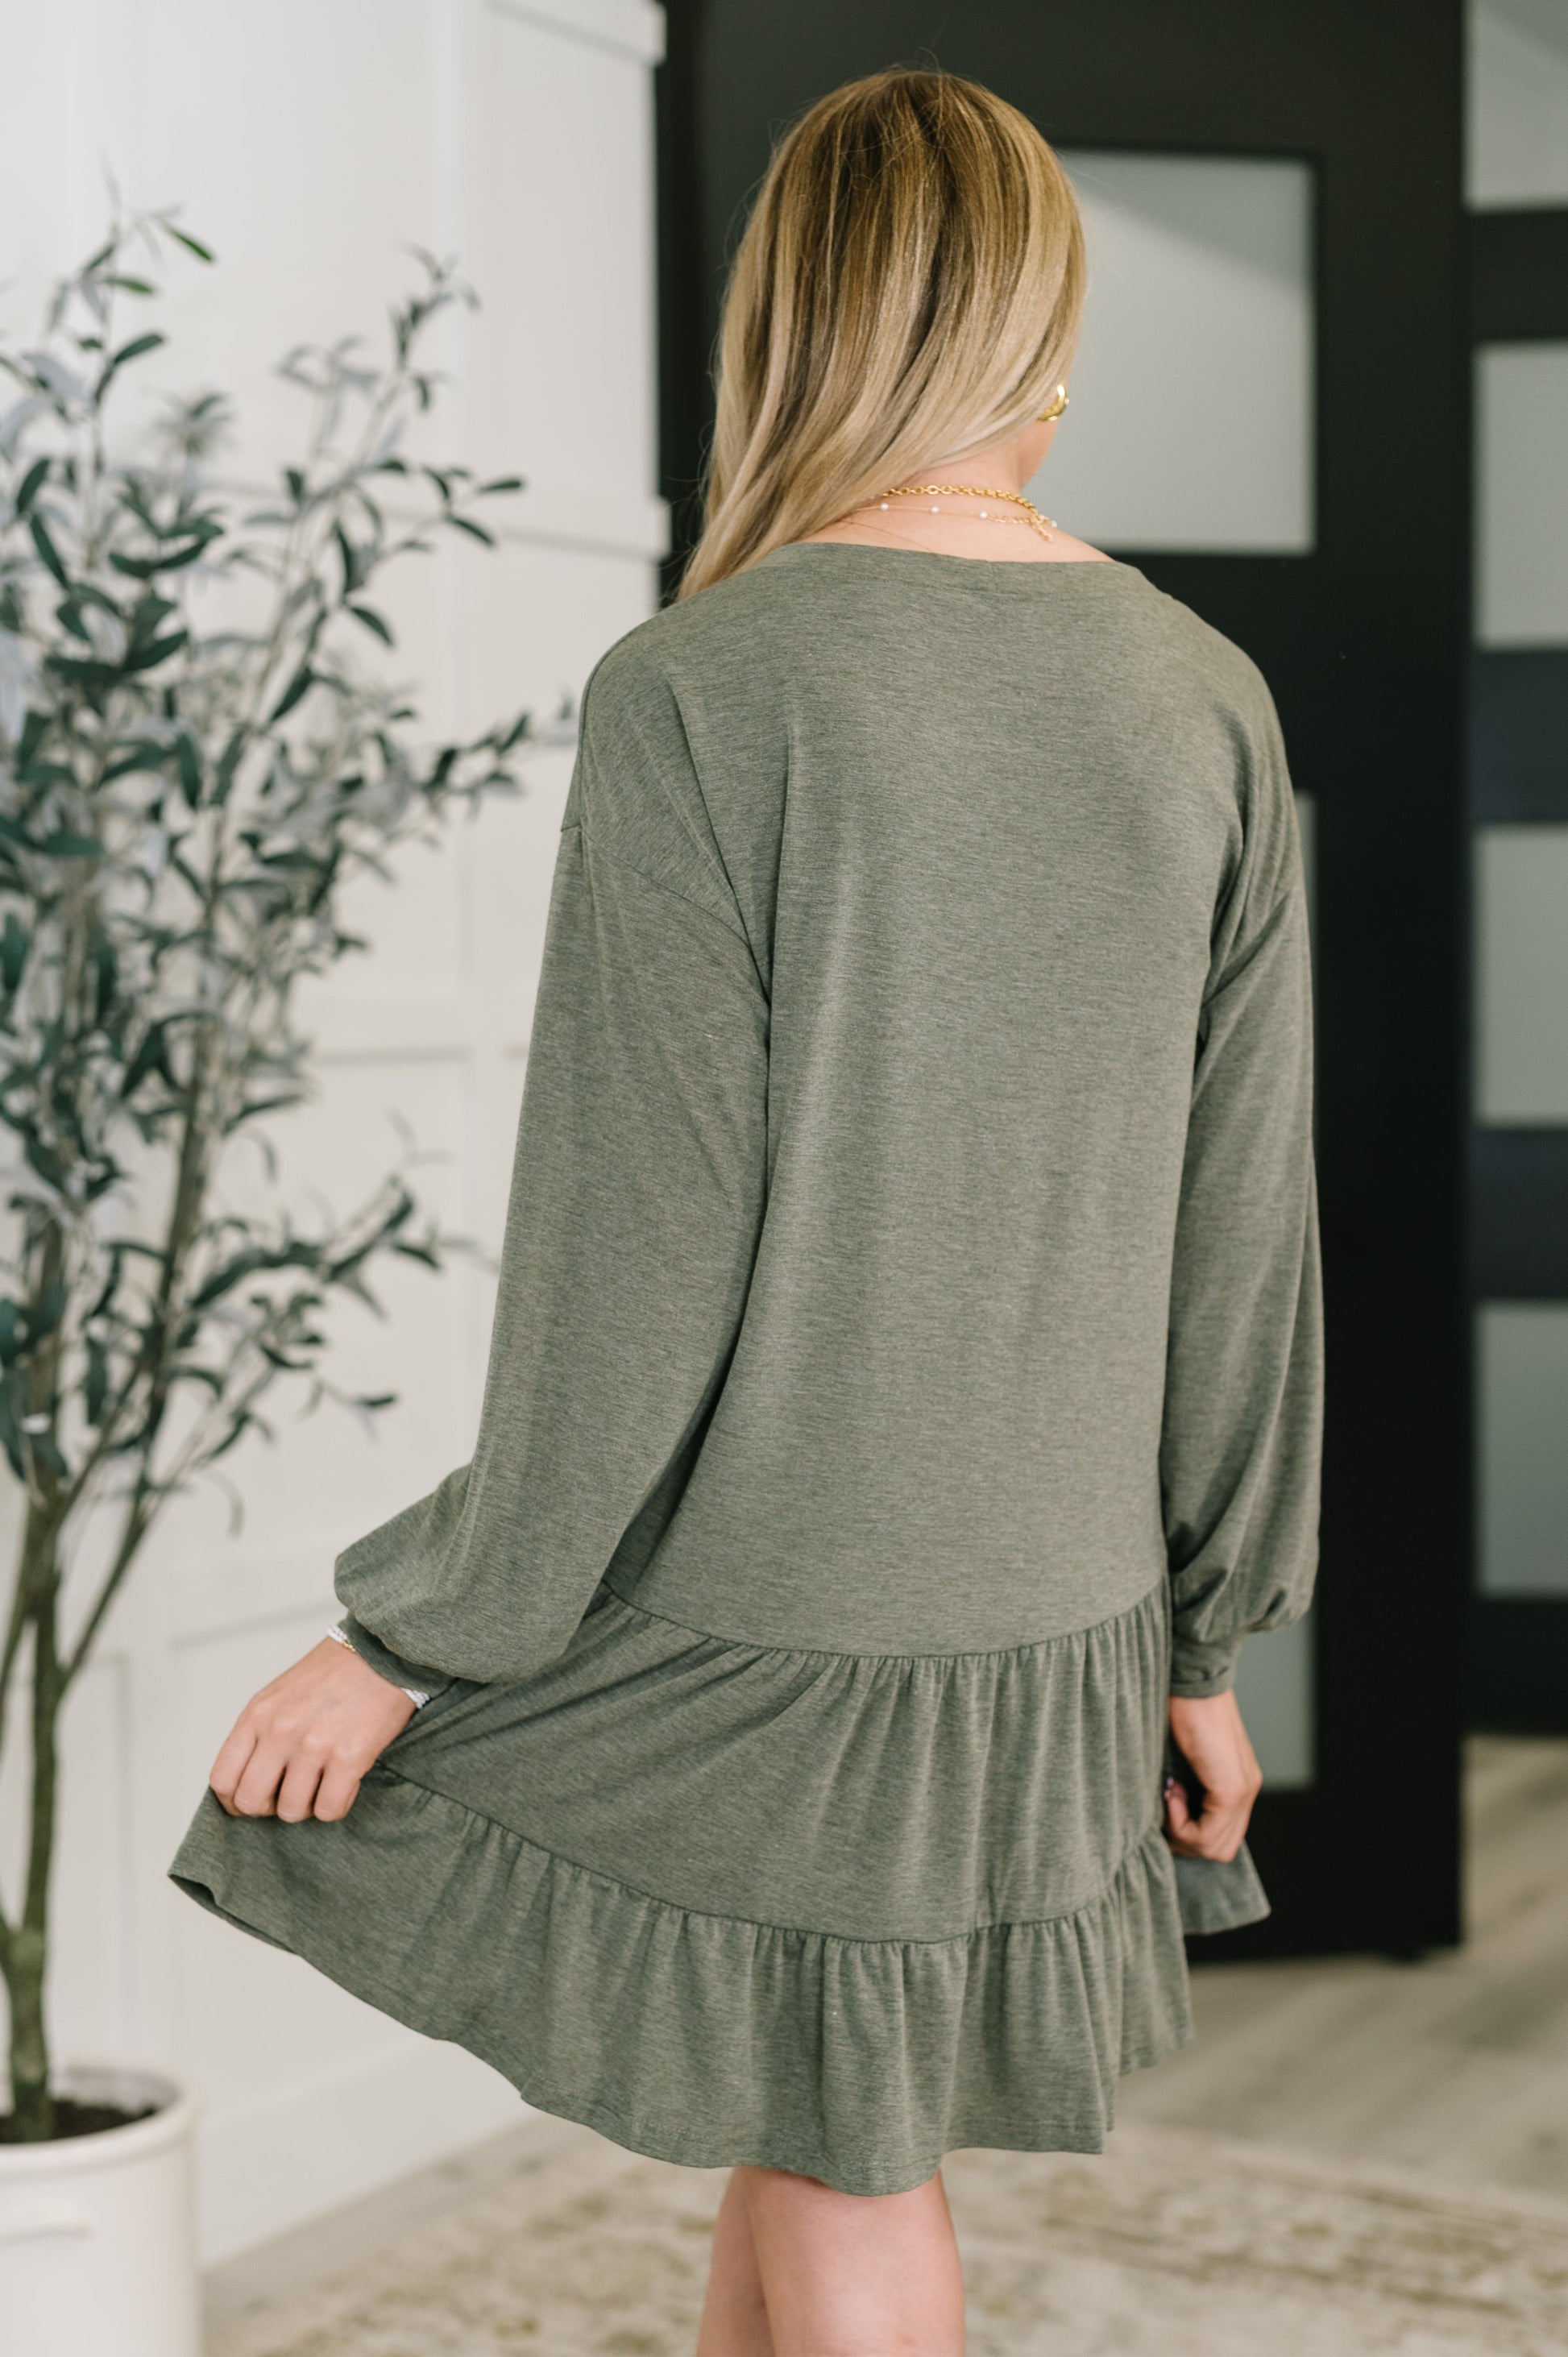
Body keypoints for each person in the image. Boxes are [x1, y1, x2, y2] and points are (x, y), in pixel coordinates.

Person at [172, 66, 1322, 2355]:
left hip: (795, 1604)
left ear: (790, 319)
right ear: (1043, 321)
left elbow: (640, 1249)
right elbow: (1244, 1243)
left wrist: (418, 1634)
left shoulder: (704, 689)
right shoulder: (1204, 701)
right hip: (1056, 1601)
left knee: (845, 2161)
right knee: (801, 2119)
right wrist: (1202, 1640)